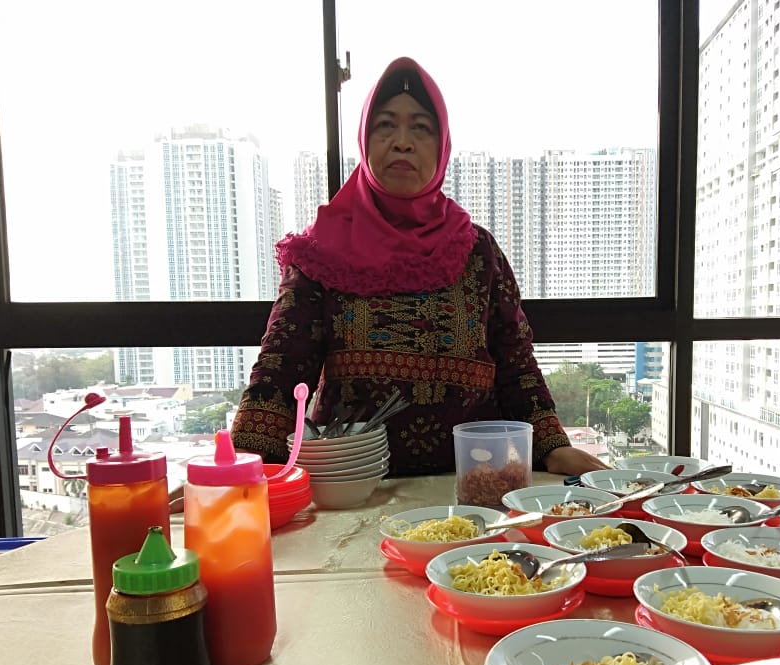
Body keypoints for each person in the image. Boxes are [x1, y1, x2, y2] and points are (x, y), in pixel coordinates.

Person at [229, 56, 608, 477]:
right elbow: (281, 367)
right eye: (385, 125)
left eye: (422, 128)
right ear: (364, 140)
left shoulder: (477, 251)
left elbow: (515, 362)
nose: (403, 141)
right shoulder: (321, 251)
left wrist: (553, 445)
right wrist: (240, 464)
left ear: (442, 145)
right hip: (352, 487)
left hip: (475, 488)